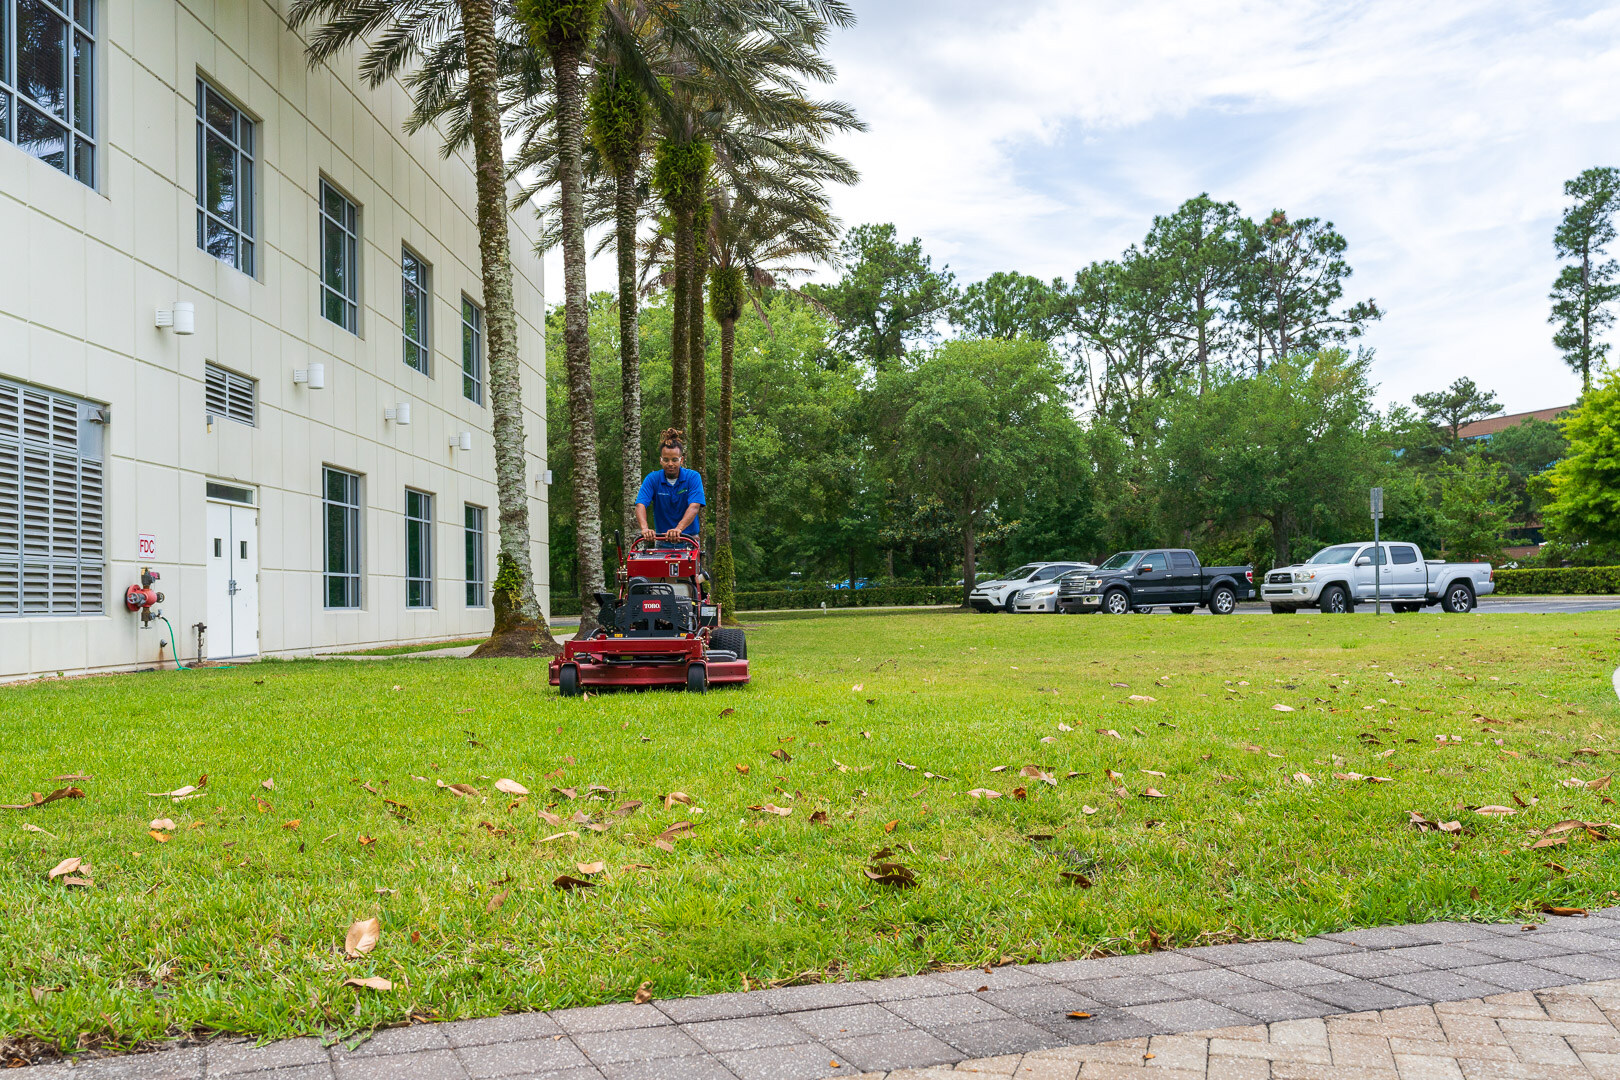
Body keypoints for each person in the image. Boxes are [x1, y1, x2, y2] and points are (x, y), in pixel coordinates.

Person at [634, 428, 705, 546]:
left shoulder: (693, 477)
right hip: (662, 541)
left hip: (689, 540)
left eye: (674, 460)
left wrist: (678, 529)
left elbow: (694, 506)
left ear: (681, 460)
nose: (670, 464)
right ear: (660, 460)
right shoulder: (652, 479)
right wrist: (645, 529)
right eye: (666, 460)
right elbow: (640, 504)